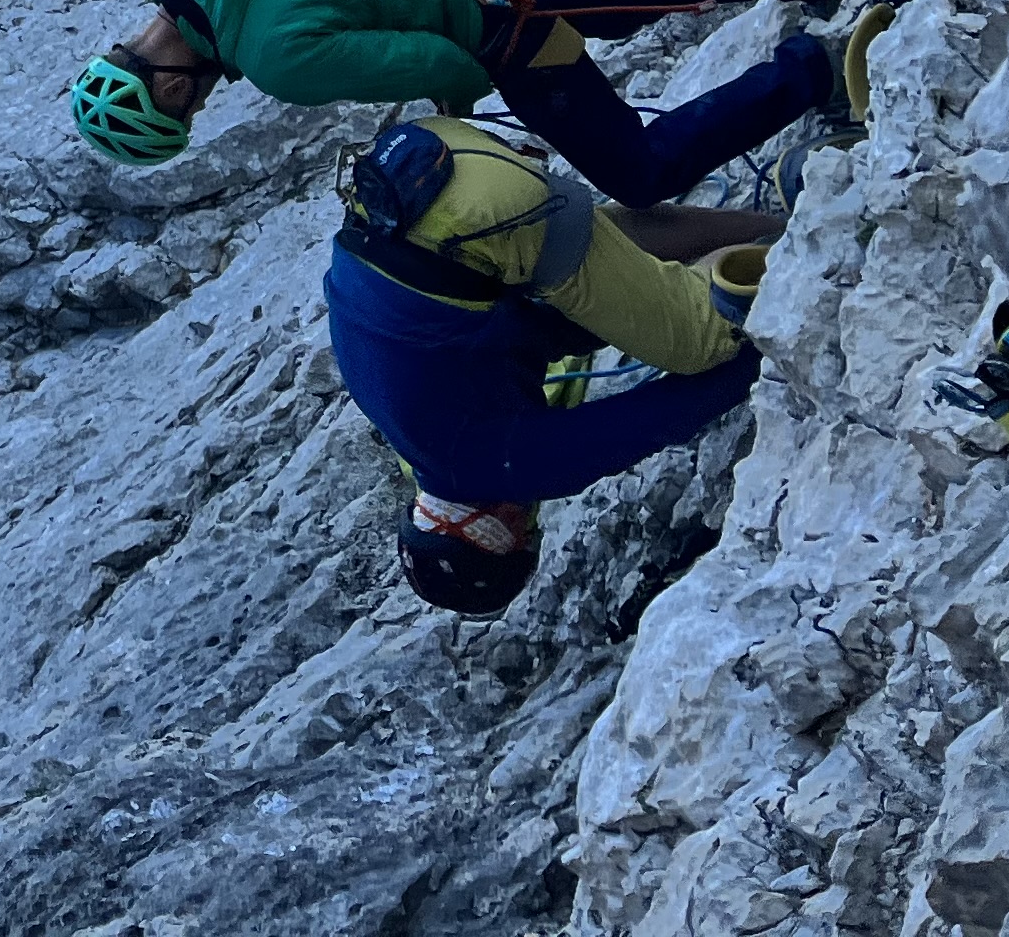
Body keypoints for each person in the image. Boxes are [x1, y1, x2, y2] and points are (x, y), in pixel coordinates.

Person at [63, 0, 847, 198]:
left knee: (640, 175)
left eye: (189, 108)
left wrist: (455, 111)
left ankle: (811, 70)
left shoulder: (277, 60)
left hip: (497, 22)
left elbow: (441, 61)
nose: (203, 103)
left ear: (173, 88)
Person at [325, 113, 776, 613]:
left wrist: (776, 345)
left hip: (478, 216)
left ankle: (800, 260)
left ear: (499, 534)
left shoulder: (496, 469)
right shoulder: (411, 432)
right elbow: (529, 332)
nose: (530, 520)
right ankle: (783, 227)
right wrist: (629, 312)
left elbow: (664, 414)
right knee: (602, 250)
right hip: (430, 163)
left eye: (525, 533)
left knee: (699, 342)